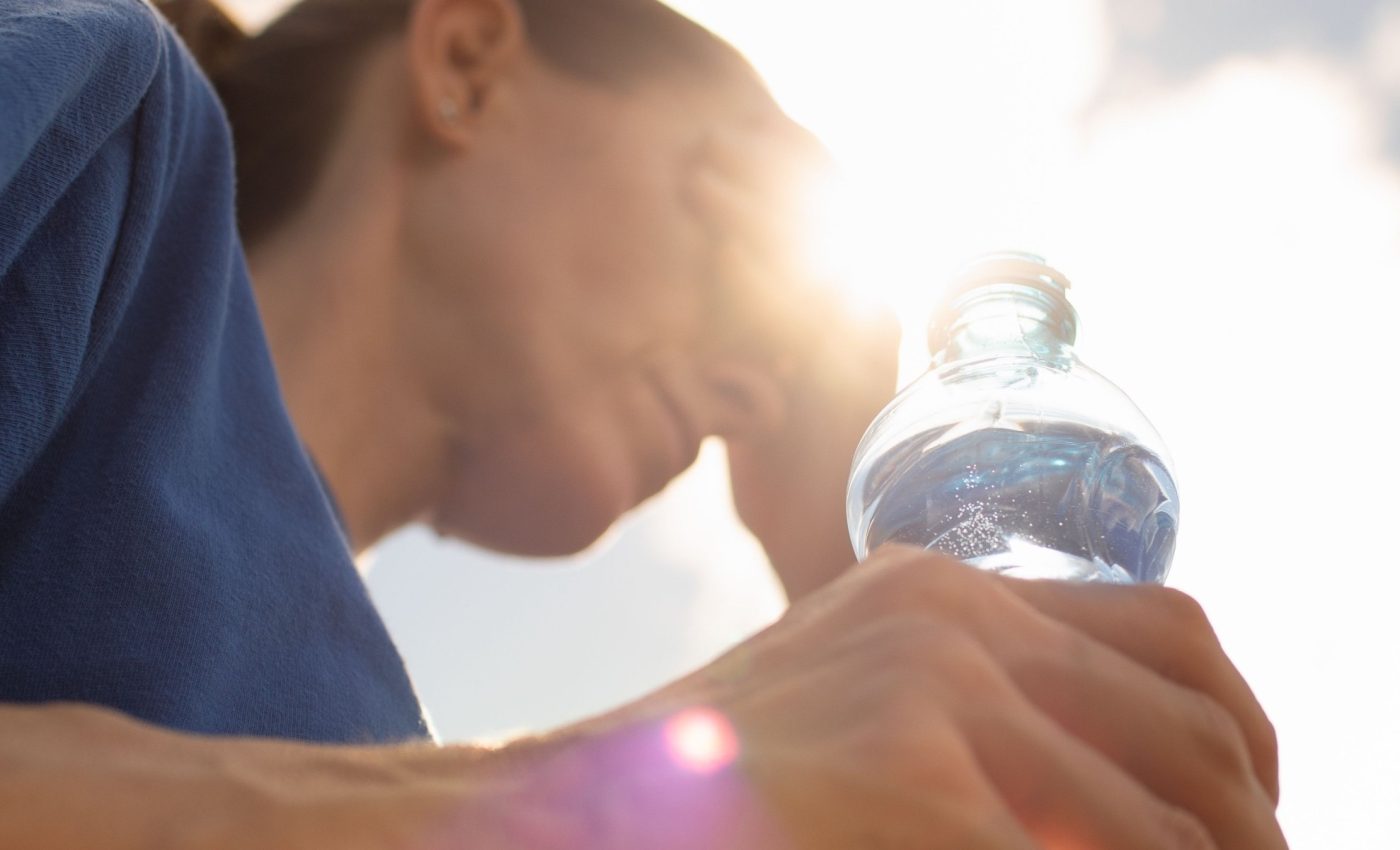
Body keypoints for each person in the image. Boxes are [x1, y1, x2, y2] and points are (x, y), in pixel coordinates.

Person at [0, 0, 1287, 847]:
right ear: (465, 62)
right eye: (732, 236)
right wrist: (545, 801)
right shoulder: (109, 127)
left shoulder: (372, 739)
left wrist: (853, 574)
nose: (756, 390)